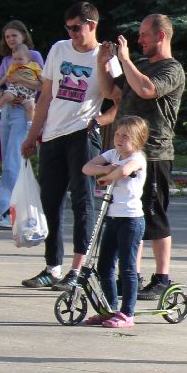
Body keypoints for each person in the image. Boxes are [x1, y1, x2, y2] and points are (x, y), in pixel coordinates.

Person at [20, 3, 113, 289]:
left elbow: (118, 101)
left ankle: (78, 270)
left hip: (82, 135)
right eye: (68, 28)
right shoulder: (59, 49)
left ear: (92, 25)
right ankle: (52, 267)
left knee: (82, 202)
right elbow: (46, 96)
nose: (71, 33)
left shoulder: (104, 56)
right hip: (53, 134)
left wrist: (99, 120)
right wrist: (32, 135)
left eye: (76, 27)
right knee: (50, 202)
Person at [107, 15, 186, 301]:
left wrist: (125, 59)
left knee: (154, 217)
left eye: (144, 35)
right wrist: (105, 61)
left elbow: (146, 89)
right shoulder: (139, 66)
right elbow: (111, 92)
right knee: (132, 215)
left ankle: (162, 278)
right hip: (126, 153)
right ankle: (132, 275)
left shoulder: (172, 69)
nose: (139, 39)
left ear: (161, 36)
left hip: (153, 154)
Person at [80, 116, 149, 328]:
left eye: (125, 136)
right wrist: (104, 169)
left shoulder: (137, 158)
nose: (119, 139)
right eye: (117, 134)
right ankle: (109, 308)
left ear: (137, 139)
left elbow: (124, 171)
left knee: (127, 268)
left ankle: (128, 313)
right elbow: (87, 167)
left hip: (131, 220)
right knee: (104, 266)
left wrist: (109, 175)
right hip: (111, 217)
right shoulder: (112, 154)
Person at [0, 20, 43, 227]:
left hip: (24, 112)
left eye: (14, 35)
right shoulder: (7, 60)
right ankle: (10, 212)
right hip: (7, 111)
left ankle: (10, 214)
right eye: (7, 36)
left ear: (23, 35)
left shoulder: (34, 56)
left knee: (13, 160)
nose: (11, 39)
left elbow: (43, 84)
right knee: (8, 162)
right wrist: (8, 94)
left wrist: (20, 84)